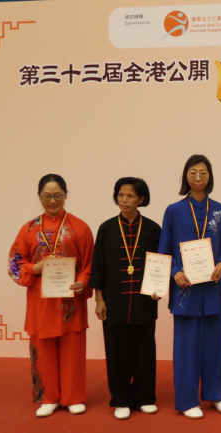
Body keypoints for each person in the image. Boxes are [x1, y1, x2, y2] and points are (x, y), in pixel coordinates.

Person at [7, 174, 94, 418]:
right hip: (40, 301)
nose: (52, 201)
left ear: (66, 195)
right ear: (39, 197)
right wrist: (34, 268)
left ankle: (73, 397)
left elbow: (90, 263)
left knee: (72, 348)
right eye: (47, 196)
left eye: (57, 195)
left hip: (71, 301)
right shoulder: (29, 229)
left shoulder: (80, 227)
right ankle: (48, 397)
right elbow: (15, 263)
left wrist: (83, 281)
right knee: (43, 348)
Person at [158, 154, 221, 419]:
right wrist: (175, 271)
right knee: (186, 348)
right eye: (193, 172)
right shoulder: (174, 210)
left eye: (203, 172)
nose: (198, 177)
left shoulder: (220, 211)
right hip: (185, 290)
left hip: (213, 287)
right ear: (186, 177)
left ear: (209, 176)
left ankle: (217, 394)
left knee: (215, 345)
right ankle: (187, 400)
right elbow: (164, 249)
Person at [89, 177, 161, 420]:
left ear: (141, 199)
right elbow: (98, 268)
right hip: (114, 302)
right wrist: (99, 300)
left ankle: (145, 397)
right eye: (120, 195)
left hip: (144, 301)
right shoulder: (106, 229)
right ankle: (121, 400)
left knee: (144, 352)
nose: (124, 200)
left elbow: (162, 263)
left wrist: (159, 289)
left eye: (130, 196)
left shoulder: (153, 229)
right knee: (116, 353)